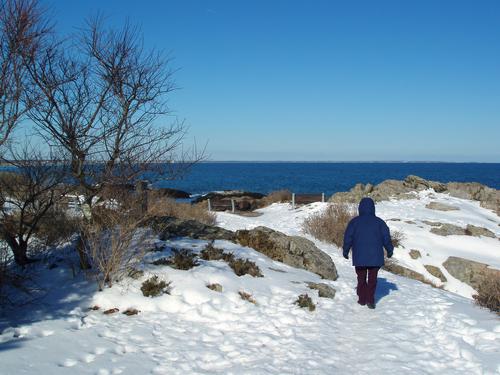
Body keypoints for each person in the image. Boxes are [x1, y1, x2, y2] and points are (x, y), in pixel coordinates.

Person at [342, 197, 393, 309]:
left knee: (361, 277)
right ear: (373, 208)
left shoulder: (354, 222)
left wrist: (345, 250)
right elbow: (386, 238)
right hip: (375, 257)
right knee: (372, 279)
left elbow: (348, 238)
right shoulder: (380, 222)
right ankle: (370, 300)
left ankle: (362, 299)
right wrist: (389, 250)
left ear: (360, 208)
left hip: (359, 256)